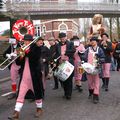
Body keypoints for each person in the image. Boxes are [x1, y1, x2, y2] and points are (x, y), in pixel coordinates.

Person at [8, 34, 44, 120]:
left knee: (37, 93)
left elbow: (35, 58)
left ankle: (39, 109)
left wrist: (27, 51)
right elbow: (18, 63)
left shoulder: (36, 48)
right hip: (24, 76)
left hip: (34, 75)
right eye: (25, 40)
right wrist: (20, 56)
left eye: (27, 40)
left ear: (31, 41)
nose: (26, 42)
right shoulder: (22, 48)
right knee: (20, 94)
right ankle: (16, 113)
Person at [84, 37, 105, 104]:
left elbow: (103, 58)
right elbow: (84, 57)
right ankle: (91, 92)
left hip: (96, 68)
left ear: (96, 42)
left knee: (96, 82)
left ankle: (96, 96)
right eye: (91, 41)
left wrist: (99, 61)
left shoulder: (100, 49)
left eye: (94, 41)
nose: (92, 42)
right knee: (90, 82)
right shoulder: (87, 49)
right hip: (88, 69)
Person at [55, 32, 75, 100]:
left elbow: (73, 50)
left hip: (69, 63)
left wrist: (66, 52)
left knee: (69, 79)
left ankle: (69, 94)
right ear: (60, 39)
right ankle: (65, 92)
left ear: (66, 37)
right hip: (61, 64)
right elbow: (56, 54)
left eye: (63, 38)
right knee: (63, 79)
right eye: (61, 38)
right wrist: (57, 58)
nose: (62, 39)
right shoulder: (57, 45)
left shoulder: (70, 43)